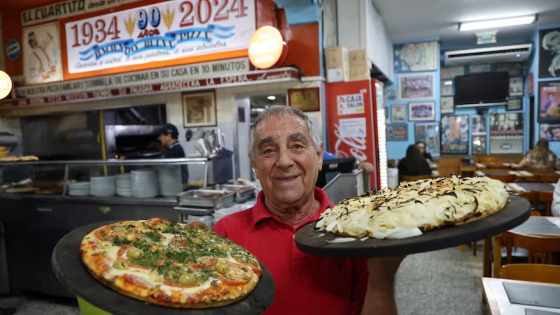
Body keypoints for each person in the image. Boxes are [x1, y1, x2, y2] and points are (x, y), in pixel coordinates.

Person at [213, 106, 403, 315]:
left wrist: (383, 275)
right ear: (255, 166)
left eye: (297, 146)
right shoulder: (225, 234)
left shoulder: (352, 232)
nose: (284, 161)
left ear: (319, 156)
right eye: (268, 150)